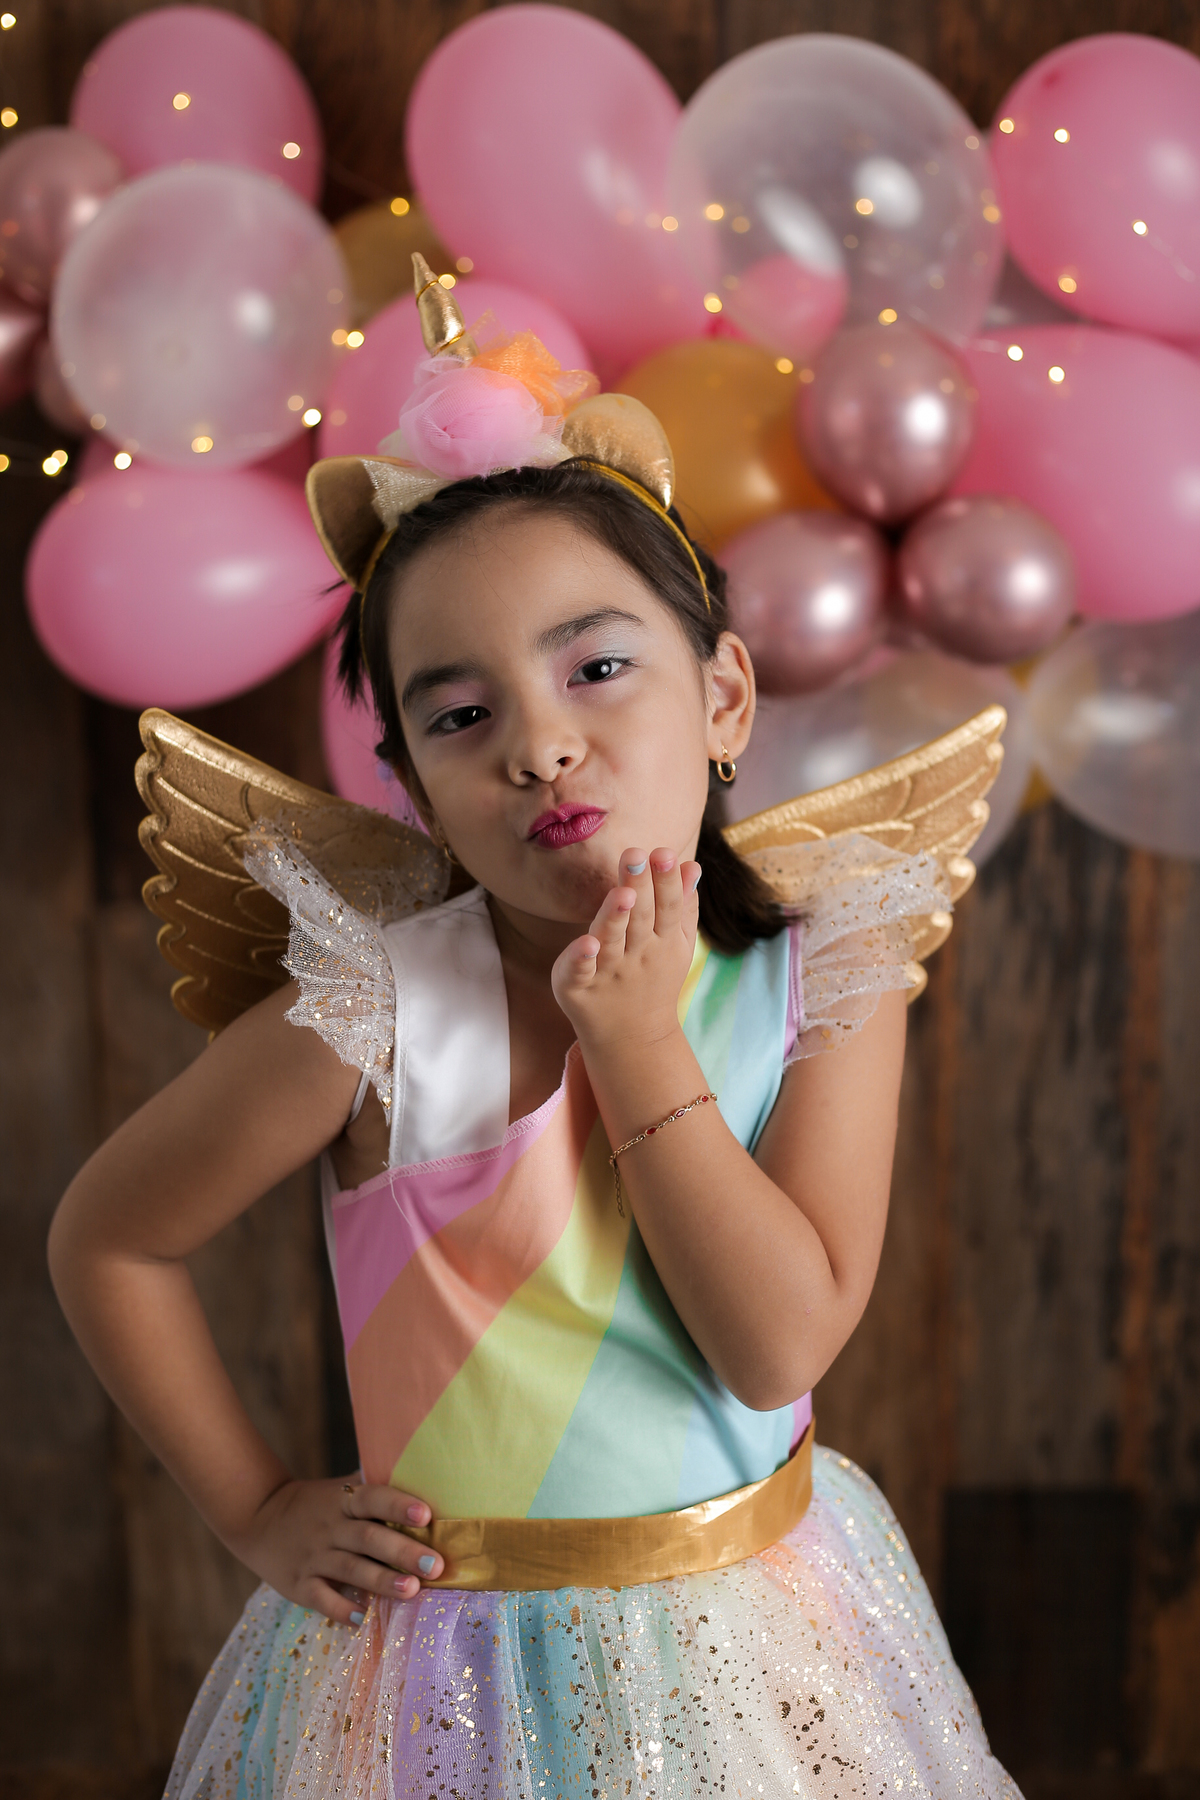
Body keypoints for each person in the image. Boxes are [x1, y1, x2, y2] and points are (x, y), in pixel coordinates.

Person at [49, 258, 1018, 1799]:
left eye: (598, 667)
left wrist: (637, 1045)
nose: (542, 743)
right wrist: (257, 1507)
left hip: (746, 1639)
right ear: (411, 786)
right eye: (461, 714)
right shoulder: (374, 1017)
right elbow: (108, 1237)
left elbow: (775, 1344)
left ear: (724, 699)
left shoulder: (816, 981)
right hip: (440, 1677)